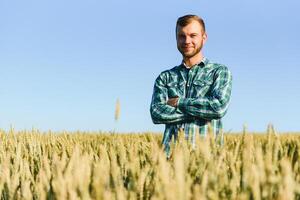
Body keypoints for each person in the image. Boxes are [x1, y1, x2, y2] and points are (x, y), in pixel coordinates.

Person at [150, 14, 232, 156]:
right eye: (182, 36)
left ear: (204, 38)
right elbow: (157, 113)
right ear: (176, 39)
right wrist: (202, 113)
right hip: (170, 162)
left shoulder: (219, 72)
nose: (187, 41)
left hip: (208, 162)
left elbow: (218, 108)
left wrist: (178, 102)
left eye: (193, 35)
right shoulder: (165, 77)